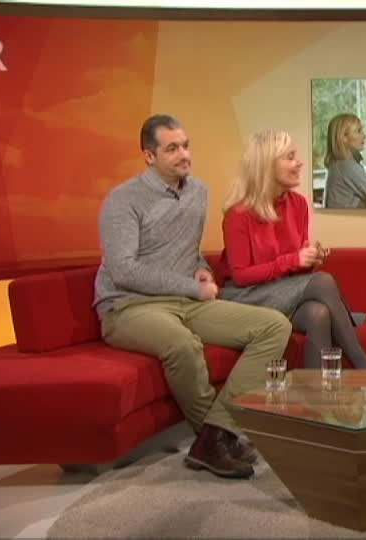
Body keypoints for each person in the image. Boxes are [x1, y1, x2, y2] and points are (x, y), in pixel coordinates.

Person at [93, 115, 293, 480]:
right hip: (129, 306)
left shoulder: (198, 191)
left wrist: (200, 268)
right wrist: (192, 287)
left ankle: (215, 436)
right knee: (184, 345)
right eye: (172, 148)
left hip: (184, 301)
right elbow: (123, 270)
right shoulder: (123, 200)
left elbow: (187, 250)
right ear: (149, 156)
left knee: (274, 326)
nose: (184, 155)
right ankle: (215, 439)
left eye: (185, 146)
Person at [217, 129, 366, 371]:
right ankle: (364, 365)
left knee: (318, 314)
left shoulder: (298, 204)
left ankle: (318, 391)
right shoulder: (239, 214)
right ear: (268, 165)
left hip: (282, 291)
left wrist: (309, 259)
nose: (299, 163)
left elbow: (295, 270)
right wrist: (293, 260)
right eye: (290, 157)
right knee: (322, 281)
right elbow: (240, 275)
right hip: (246, 296)